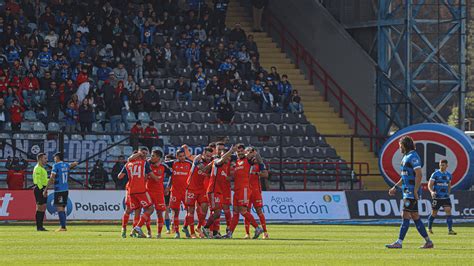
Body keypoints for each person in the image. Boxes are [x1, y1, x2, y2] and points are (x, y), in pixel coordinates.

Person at [386, 136, 433, 249]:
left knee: (405, 215)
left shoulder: (413, 157)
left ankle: (399, 242)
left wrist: (416, 190)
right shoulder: (406, 157)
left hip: (411, 192)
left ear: (405, 145)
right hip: (406, 191)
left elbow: (419, 174)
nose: (399, 148)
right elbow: (404, 176)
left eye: (400, 146)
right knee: (415, 216)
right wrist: (395, 187)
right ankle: (428, 242)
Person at [224, 144, 264, 239]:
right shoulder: (236, 162)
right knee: (235, 213)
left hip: (244, 189)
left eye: (242, 151)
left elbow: (258, 160)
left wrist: (255, 153)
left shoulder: (248, 160)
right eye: (238, 151)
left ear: (244, 152)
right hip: (236, 190)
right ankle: (230, 233)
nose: (240, 153)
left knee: (243, 211)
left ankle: (257, 227)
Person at [118, 150, 157, 238]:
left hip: (130, 190)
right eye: (144, 154)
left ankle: (126, 230)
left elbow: (119, 176)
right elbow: (152, 176)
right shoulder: (144, 163)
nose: (145, 155)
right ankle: (137, 228)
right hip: (141, 189)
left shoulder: (128, 164)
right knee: (149, 208)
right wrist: (157, 178)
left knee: (135, 210)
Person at [202, 146, 235, 238]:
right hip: (213, 191)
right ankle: (206, 228)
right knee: (216, 213)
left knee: (217, 213)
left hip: (218, 192)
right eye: (226, 156)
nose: (228, 158)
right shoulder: (217, 162)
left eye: (229, 157)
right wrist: (231, 151)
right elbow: (219, 161)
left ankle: (215, 232)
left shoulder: (224, 167)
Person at [182, 147, 213, 239]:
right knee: (190, 211)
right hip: (191, 188)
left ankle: (199, 227)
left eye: (210, 156)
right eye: (207, 155)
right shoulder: (198, 158)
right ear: (203, 153)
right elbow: (203, 169)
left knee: (205, 207)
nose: (208, 157)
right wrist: (213, 163)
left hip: (201, 189)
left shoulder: (210, 162)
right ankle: (192, 233)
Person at [43, 152, 79, 232]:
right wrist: (75, 163)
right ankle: (63, 226)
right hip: (66, 190)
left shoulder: (55, 166)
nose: (54, 159)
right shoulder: (65, 165)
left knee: (60, 208)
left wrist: (46, 189)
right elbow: (70, 165)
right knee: (62, 208)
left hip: (59, 190)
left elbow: (52, 178)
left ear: (57, 157)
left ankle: (63, 227)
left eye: (54, 157)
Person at [164, 148, 193, 238]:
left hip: (186, 191)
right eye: (180, 156)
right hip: (175, 192)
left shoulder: (189, 164)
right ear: (177, 157)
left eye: (183, 156)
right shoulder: (173, 163)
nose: (182, 158)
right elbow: (162, 165)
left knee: (189, 211)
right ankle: (177, 232)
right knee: (175, 212)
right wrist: (168, 187)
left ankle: (185, 226)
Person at [147, 150, 172, 238]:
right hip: (148, 191)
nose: (151, 157)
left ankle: (159, 233)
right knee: (148, 212)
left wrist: (168, 186)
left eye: (153, 156)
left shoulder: (164, 166)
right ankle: (149, 232)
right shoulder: (147, 164)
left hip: (159, 192)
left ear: (158, 157)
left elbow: (172, 175)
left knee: (159, 213)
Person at [427, 159, 456, 235]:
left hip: (445, 197)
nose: (441, 166)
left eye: (443, 165)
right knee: (434, 213)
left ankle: (450, 230)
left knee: (448, 211)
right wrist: (432, 191)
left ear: (447, 165)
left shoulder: (449, 175)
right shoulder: (435, 174)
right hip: (437, 197)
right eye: (440, 165)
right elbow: (430, 184)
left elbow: (449, 185)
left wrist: (448, 193)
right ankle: (429, 228)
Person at [33, 153, 48, 231]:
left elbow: (44, 180)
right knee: (40, 207)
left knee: (42, 207)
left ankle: (40, 226)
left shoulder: (42, 168)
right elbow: (38, 181)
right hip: (40, 188)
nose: (46, 160)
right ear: (40, 159)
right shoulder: (38, 168)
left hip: (43, 188)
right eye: (45, 158)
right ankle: (39, 226)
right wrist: (42, 190)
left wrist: (50, 181)